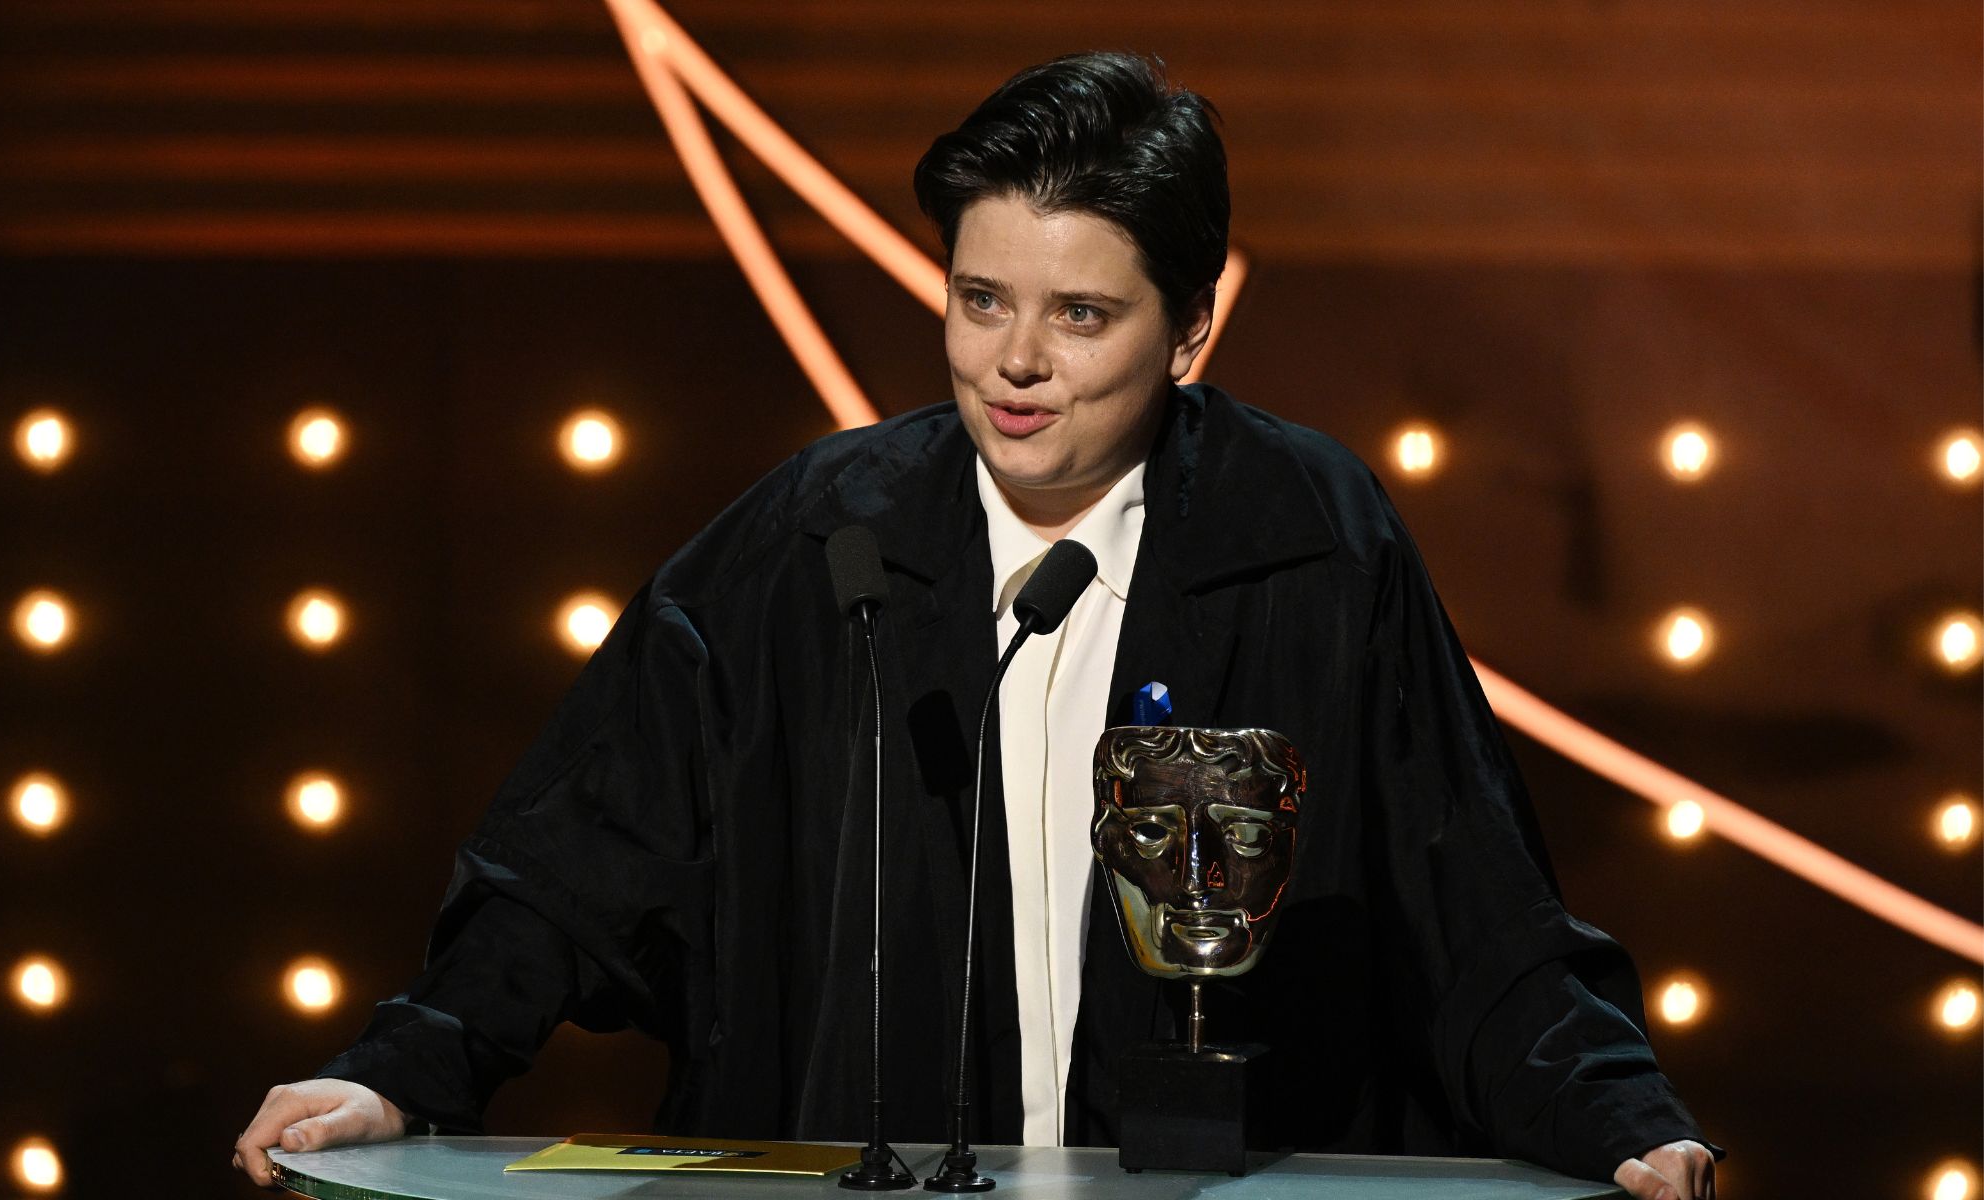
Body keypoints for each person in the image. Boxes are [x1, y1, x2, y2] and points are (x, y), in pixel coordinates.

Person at [235, 51, 1721, 1198]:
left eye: (1081, 316)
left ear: (1190, 329)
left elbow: (1475, 914)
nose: (1015, 364)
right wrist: (401, 1074)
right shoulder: (825, 537)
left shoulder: (1307, 539)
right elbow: (572, 873)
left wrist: (1624, 1126)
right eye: (978, 300)